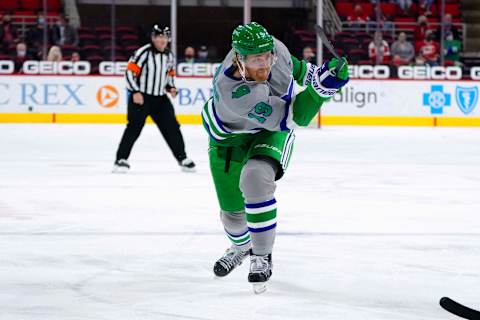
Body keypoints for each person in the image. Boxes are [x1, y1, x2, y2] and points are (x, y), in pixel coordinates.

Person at [204, 22, 349, 293]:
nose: (265, 64)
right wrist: (323, 90)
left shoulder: (274, 49)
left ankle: (261, 254)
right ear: (239, 59)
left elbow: (300, 72)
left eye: (267, 56)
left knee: (255, 178)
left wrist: (324, 74)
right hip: (228, 139)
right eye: (257, 60)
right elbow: (296, 114)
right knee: (232, 216)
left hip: (270, 132)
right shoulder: (232, 92)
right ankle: (240, 246)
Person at [113, 25, 195, 173]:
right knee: (134, 128)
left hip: (160, 99)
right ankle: (120, 159)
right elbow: (129, 73)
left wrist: (171, 88)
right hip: (141, 98)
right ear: (153, 38)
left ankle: (182, 158)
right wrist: (135, 92)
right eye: (159, 37)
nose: (163, 40)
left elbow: (169, 75)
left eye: (165, 37)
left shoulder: (169, 56)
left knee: (173, 128)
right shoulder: (143, 53)